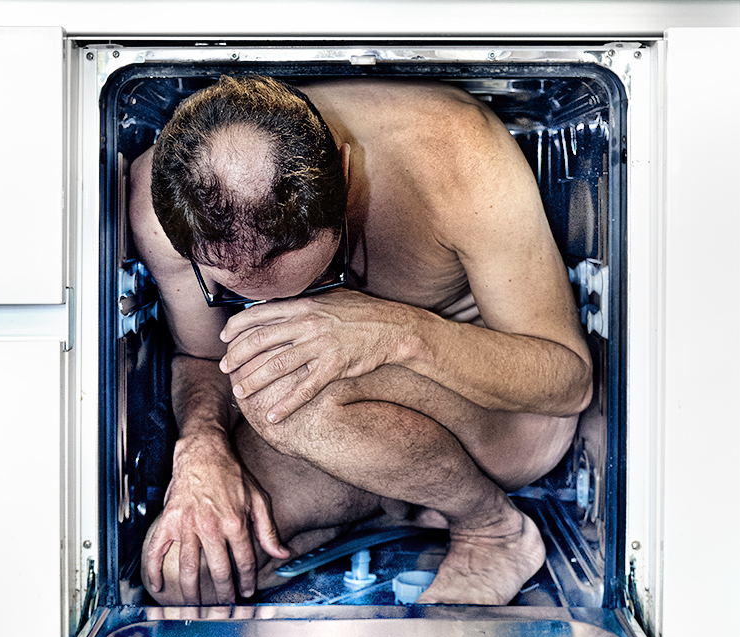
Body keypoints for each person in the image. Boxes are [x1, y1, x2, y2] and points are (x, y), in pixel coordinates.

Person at [129, 73, 592, 607]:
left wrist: (401, 333)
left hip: (502, 421)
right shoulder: (160, 203)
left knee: (289, 382)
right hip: (330, 429)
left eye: (318, 275)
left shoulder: (454, 149)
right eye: (234, 291)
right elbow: (203, 354)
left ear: (345, 172)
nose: (291, 303)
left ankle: (492, 527)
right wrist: (202, 448)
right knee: (187, 572)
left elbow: (569, 384)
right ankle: (406, 505)